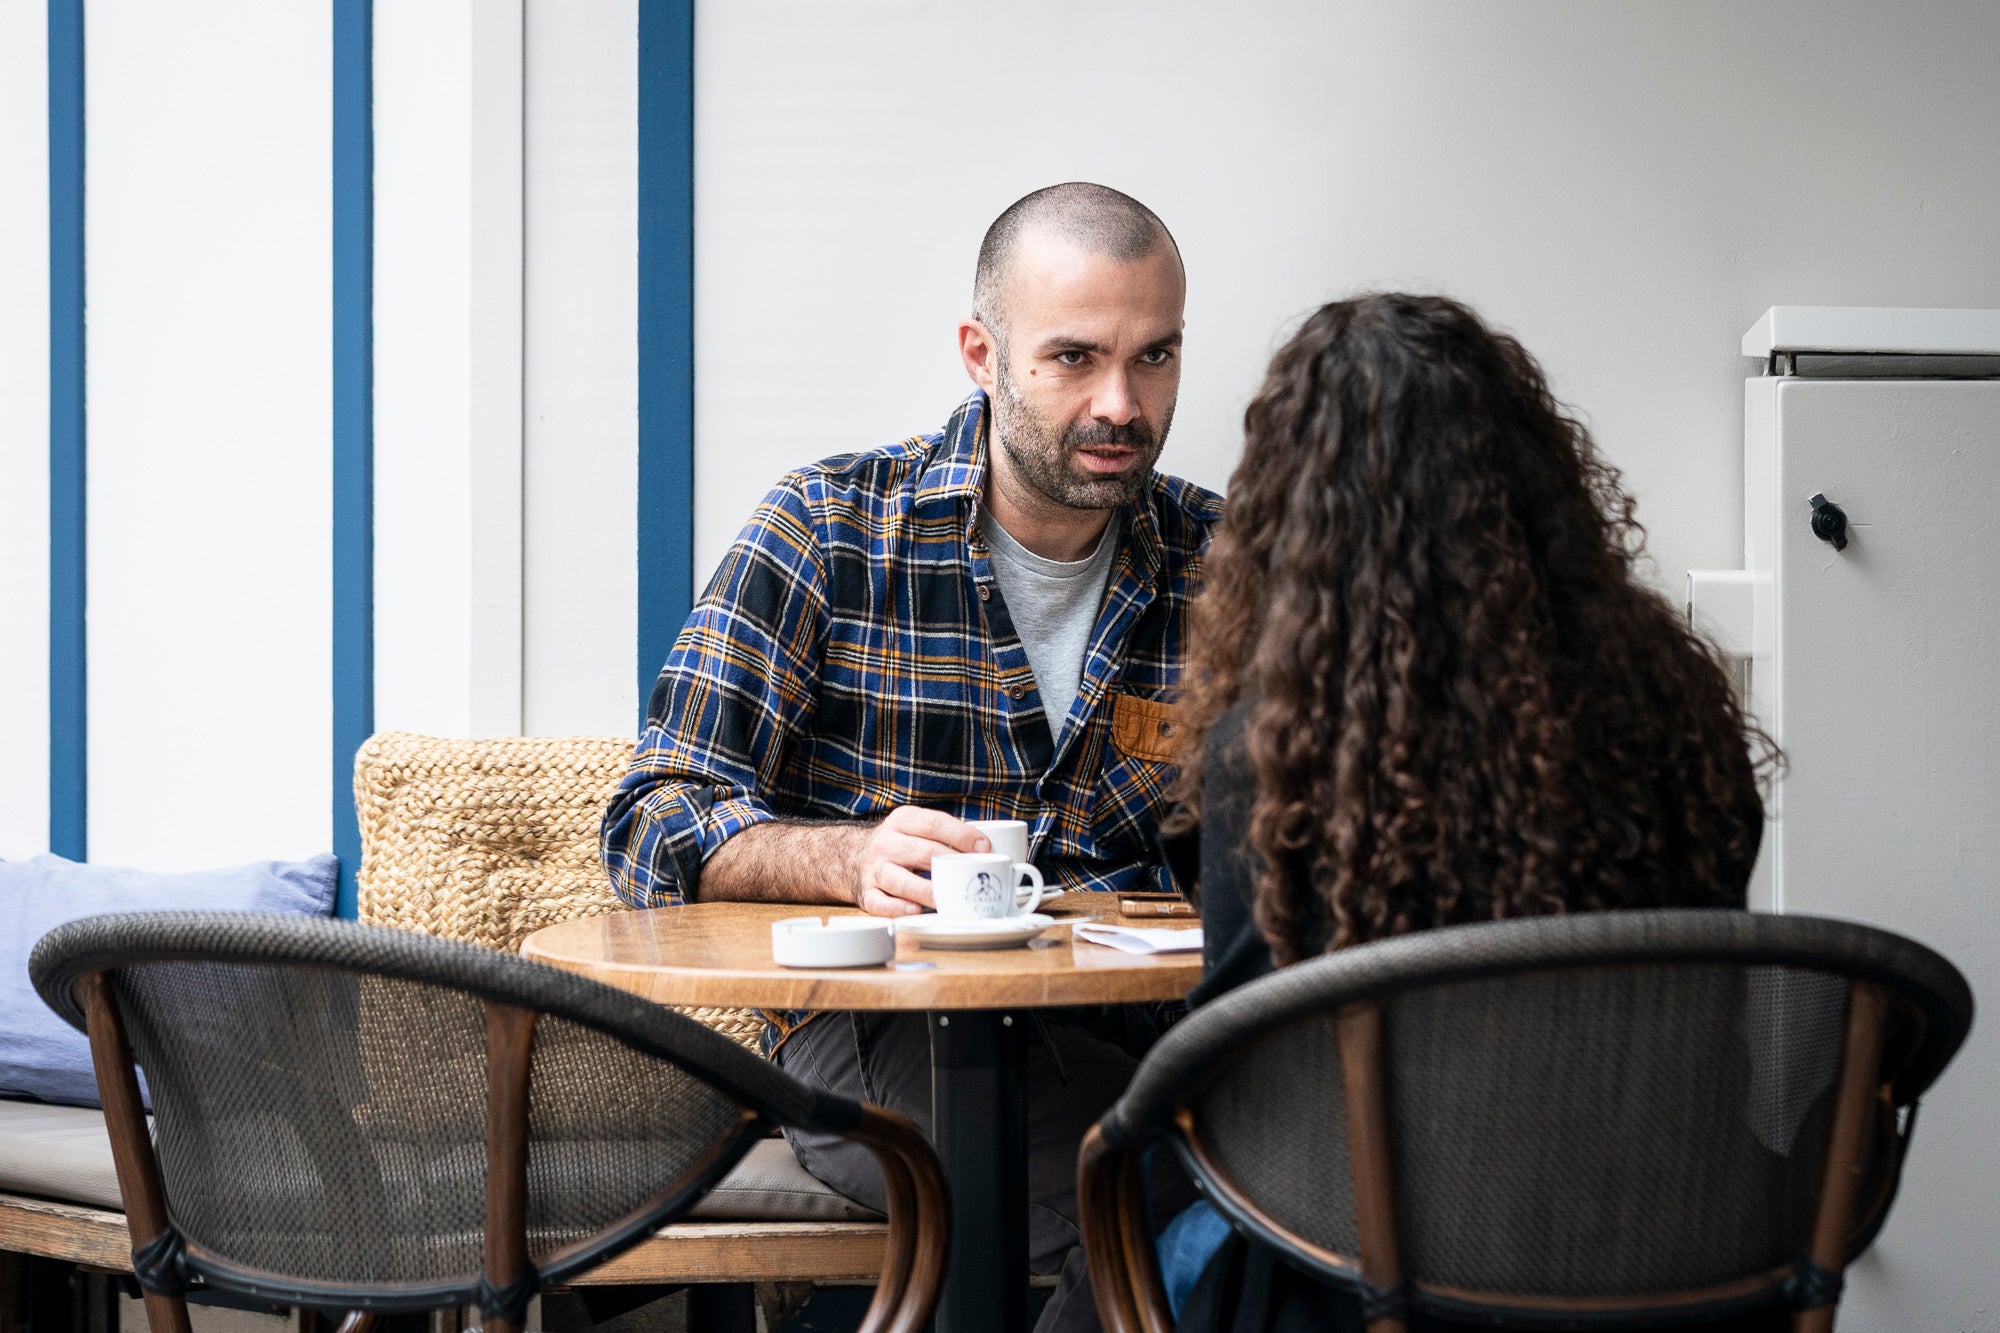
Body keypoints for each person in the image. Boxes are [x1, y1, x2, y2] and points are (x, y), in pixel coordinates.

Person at [601, 182, 1217, 1333]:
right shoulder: (829, 528)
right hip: (874, 1030)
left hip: (1146, 1029)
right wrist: (842, 861)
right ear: (980, 353)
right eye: (1073, 358)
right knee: (1166, 1188)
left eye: (1155, 358)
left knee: (1246, 1161)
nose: (1119, 404)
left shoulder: (1222, 562)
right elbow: (648, 813)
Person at [1157, 293, 1777, 1332]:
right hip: (1666, 1259)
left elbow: (1232, 1065)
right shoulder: (1672, 713)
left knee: (1123, 1237)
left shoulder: (1278, 754)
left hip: (1378, 1277)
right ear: (1530, 485)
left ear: (1293, 513)